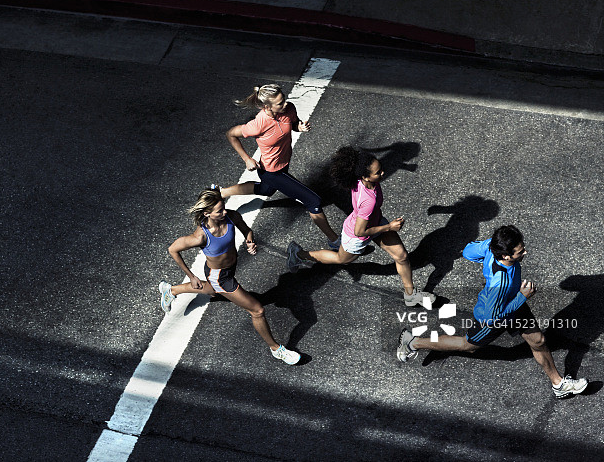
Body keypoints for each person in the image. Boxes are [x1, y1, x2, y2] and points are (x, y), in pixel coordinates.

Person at [397, 225, 588, 399]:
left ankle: (558, 384)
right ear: (506, 256)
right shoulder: (500, 283)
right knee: (468, 345)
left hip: (514, 304)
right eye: (520, 252)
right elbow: (492, 319)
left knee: (539, 340)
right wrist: (522, 297)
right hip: (495, 312)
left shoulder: (491, 246)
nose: (525, 252)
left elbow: (468, 251)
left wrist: (516, 296)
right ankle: (413, 342)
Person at [158, 187, 300, 365]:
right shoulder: (200, 236)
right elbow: (173, 249)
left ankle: (171, 289)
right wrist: (191, 276)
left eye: (224, 207)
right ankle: (276, 349)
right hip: (220, 277)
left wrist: (250, 241)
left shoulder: (231, 216)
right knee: (257, 310)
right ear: (207, 213)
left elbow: (247, 230)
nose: (224, 211)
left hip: (230, 268)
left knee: (213, 291)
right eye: (219, 211)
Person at [286, 146, 434, 307]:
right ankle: (298, 254)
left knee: (402, 256)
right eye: (378, 173)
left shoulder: (362, 180)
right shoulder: (367, 201)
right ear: (365, 177)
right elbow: (359, 231)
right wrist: (389, 227)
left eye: (381, 169)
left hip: (375, 222)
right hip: (357, 235)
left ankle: (411, 295)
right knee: (340, 259)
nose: (382, 173)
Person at [218, 84, 340, 248]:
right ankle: (334, 241)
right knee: (313, 200)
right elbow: (231, 134)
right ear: (267, 107)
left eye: (284, 100)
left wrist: (300, 127)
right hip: (270, 171)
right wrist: (247, 159)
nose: (285, 104)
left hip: (283, 163)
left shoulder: (288, 109)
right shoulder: (258, 124)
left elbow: (293, 123)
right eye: (280, 103)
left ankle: (222, 192)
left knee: (266, 190)